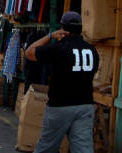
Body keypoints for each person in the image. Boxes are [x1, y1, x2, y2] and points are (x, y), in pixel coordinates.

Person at [25, 11, 100, 153]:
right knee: (83, 148)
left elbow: (29, 52)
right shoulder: (92, 50)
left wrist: (50, 36)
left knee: (47, 146)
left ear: (63, 28)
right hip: (85, 105)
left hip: (60, 105)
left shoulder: (59, 48)